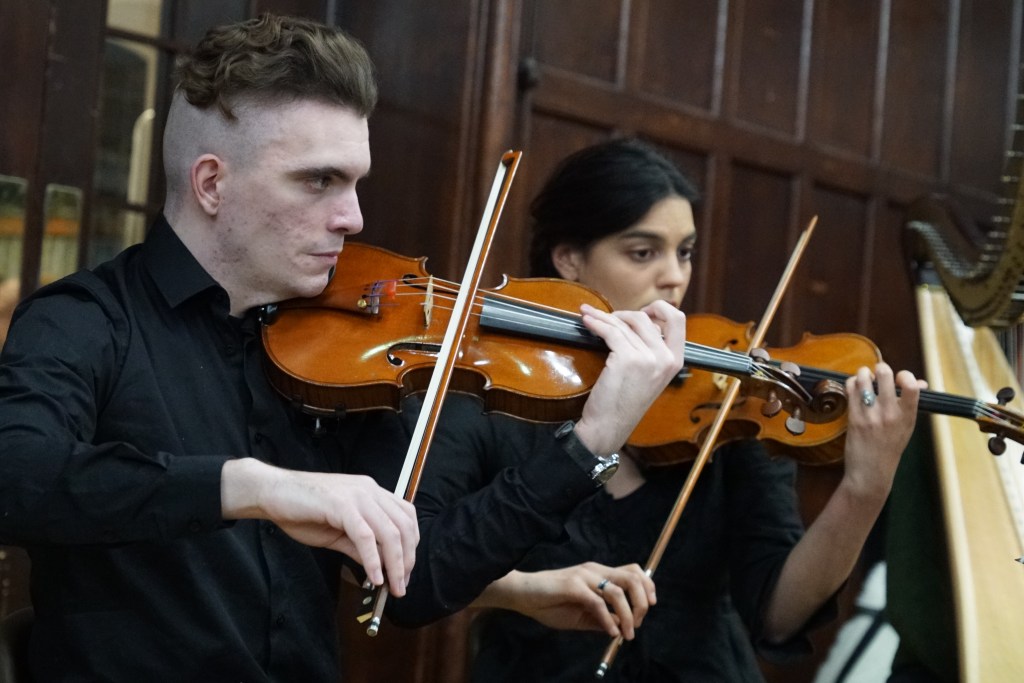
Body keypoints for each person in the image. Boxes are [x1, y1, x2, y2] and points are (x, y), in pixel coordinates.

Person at [0, 18, 688, 682]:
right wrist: (253, 486)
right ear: (211, 184)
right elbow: (18, 478)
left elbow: (420, 577)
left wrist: (591, 441)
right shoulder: (84, 321)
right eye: (318, 180)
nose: (352, 217)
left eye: (355, 182)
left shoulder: (345, 352)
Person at [405, 138, 925, 681]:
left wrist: (864, 489)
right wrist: (521, 590)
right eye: (643, 252)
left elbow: (778, 615)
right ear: (569, 259)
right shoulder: (490, 397)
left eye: (685, 252)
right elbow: (414, 569)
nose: (675, 276)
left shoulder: (727, 399)